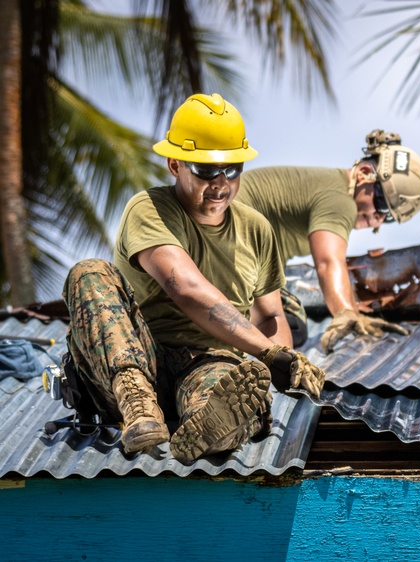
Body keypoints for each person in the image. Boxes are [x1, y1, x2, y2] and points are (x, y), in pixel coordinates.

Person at [62, 93, 326, 463]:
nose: (220, 183)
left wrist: (278, 359)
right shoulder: (149, 208)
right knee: (88, 273)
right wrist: (268, 352)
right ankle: (137, 404)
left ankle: (210, 425)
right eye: (205, 170)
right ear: (175, 164)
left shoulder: (257, 230)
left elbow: (271, 316)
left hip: (208, 362)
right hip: (141, 359)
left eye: (232, 169)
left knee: (228, 392)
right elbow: (183, 286)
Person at [237, 129, 420, 350]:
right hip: (230, 247)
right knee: (289, 322)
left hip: (231, 249)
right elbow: (328, 262)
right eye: (382, 204)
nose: (377, 219)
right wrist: (345, 313)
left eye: (387, 218)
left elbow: (337, 269)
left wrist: (356, 316)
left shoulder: (334, 190)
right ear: (364, 173)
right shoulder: (341, 201)